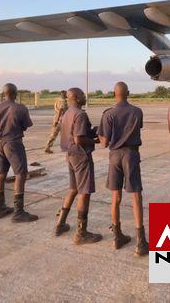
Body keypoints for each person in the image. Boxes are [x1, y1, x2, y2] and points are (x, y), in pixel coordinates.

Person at [98, 82, 149, 256]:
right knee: (136, 196)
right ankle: (141, 241)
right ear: (128, 92)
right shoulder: (137, 111)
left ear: (114, 94)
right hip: (131, 154)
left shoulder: (108, 114)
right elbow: (137, 129)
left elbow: (104, 143)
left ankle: (117, 236)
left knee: (115, 197)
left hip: (115, 156)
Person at [0, 83, 37, 222]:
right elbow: (26, 125)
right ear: (15, 93)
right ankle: (18, 212)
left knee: (1, 175)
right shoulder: (20, 108)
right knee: (20, 175)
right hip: (14, 143)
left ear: (3, 94)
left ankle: (0, 208)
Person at [53, 87, 103, 245]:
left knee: (73, 189)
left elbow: (76, 134)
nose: (85, 96)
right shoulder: (80, 114)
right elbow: (79, 139)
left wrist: (91, 132)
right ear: (75, 97)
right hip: (81, 156)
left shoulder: (67, 113)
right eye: (82, 94)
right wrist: (96, 140)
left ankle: (60, 224)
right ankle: (81, 233)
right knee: (85, 192)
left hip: (70, 155)